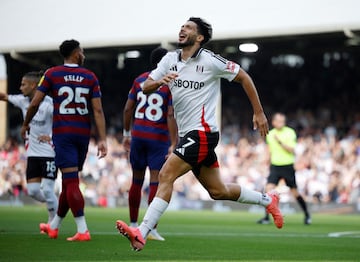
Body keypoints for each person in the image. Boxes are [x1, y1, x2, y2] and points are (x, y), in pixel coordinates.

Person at [115, 17, 283, 251]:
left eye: (189, 27)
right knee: (218, 191)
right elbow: (146, 86)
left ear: (200, 37)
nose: (182, 29)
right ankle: (268, 200)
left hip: (203, 133)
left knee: (165, 175)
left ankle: (141, 232)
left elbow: (244, 77)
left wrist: (259, 112)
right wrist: (160, 81)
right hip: (188, 136)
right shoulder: (169, 59)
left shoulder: (211, 60)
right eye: (182, 26)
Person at [21, 39, 107, 241]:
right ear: (76, 53)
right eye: (82, 52)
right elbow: (97, 110)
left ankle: (83, 230)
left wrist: (26, 123)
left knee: (70, 182)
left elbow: (35, 103)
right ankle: (54, 226)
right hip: (82, 134)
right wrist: (102, 139)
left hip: (63, 134)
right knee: (70, 182)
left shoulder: (52, 74)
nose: (83, 55)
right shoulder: (90, 76)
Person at [122, 47, 177, 241]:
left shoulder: (139, 80)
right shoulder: (169, 82)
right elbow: (170, 113)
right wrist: (174, 142)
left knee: (136, 181)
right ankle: (151, 228)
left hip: (138, 135)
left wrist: (126, 133)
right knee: (156, 180)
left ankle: (133, 224)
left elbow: (128, 108)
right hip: (158, 137)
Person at [0, 71, 58, 224]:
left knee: (47, 189)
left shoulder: (49, 104)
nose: (20, 88)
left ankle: (53, 223)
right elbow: (4, 96)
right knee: (32, 191)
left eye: (23, 84)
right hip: (32, 154)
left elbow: (62, 121)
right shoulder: (22, 101)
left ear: (33, 86)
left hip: (49, 153)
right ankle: (55, 203)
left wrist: (51, 136)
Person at [257, 112, 311, 225]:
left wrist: (280, 141)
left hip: (287, 165)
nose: (281, 123)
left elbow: (292, 150)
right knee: (268, 190)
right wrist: (265, 161)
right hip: (275, 166)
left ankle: (307, 215)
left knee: (295, 193)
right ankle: (266, 217)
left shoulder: (290, 132)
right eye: (279, 121)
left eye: (283, 121)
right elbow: (269, 150)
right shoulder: (270, 134)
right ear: (273, 122)